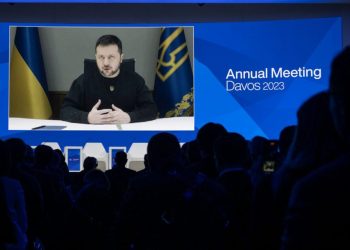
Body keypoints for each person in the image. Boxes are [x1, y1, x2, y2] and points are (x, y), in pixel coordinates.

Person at [60, 34, 158, 124]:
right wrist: (87, 117)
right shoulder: (83, 81)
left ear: (121, 58)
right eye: (101, 57)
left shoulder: (135, 80)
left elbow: (151, 109)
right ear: (96, 57)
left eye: (111, 57)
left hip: (124, 134)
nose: (106, 63)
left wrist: (129, 117)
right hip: (92, 136)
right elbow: (65, 111)